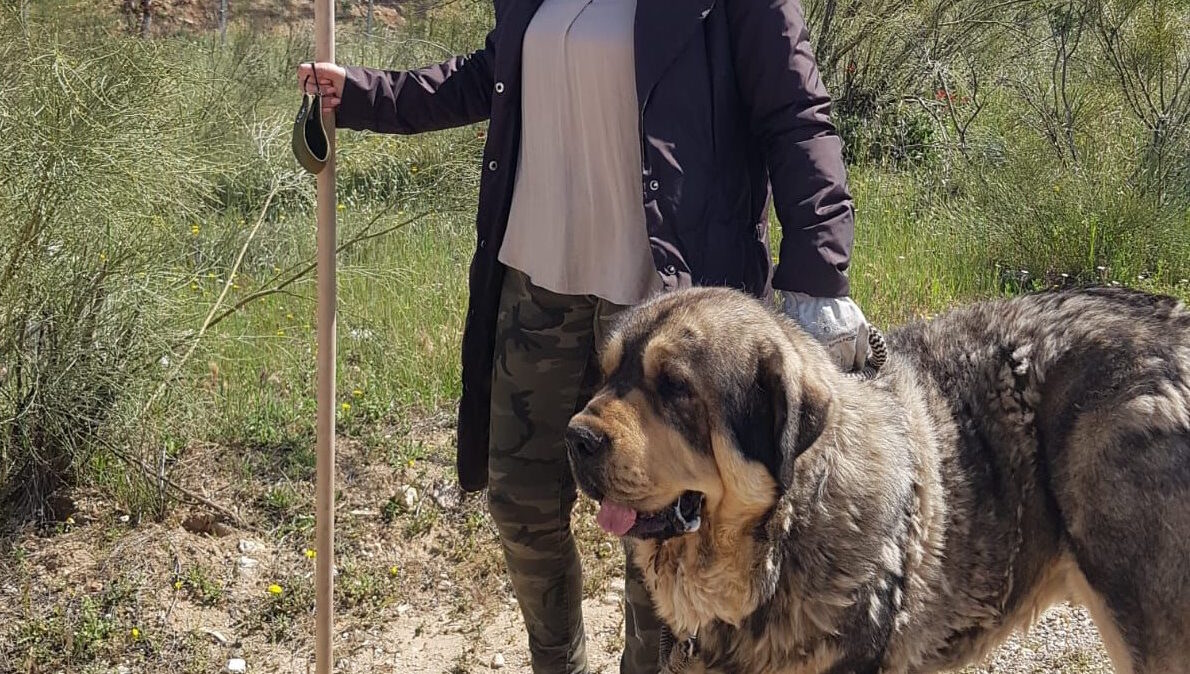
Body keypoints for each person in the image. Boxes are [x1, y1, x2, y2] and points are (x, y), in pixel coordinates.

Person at [298, 0, 869, 671]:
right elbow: (494, 74)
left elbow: (796, 117)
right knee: (520, 500)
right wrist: (365, 94)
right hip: (540, 282)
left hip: (668, 310)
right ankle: (556, 661)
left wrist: (819, 279)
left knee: (662, 526)